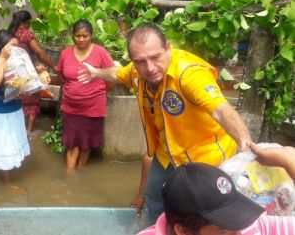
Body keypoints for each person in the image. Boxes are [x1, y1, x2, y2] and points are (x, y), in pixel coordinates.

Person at [78, 24, 254, 222]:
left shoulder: (189, 74)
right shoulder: (138, 72)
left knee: (200, 214)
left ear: (168, 48)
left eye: (156, 57)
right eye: (141, 61)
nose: (150, 68)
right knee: (154, 195)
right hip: (167, 152)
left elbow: (222, 110)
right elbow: (116, 74)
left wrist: (245, 145)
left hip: (204, 157)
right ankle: (158, 229)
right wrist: (95, 73)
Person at [137, 162, 295, 235]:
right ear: (184, 232)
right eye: (224, 234)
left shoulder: (248, 225)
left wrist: (288, 161)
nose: (240, 233)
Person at [56, 19, 114, 174]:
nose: (81, 39)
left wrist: (99, 92)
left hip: (93, 107)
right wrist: (71, 87)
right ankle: (70, 173)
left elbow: (112, 75)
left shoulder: (100, 52)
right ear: (73, 36)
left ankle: (80, 170)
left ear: (91, 36)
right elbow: (61, 74)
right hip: (70, 106)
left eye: (85, 36)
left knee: (86, 143)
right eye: (78, 36)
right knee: (72, 142)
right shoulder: (65, 54)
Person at [0, 30, 30, 184]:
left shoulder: (15, 64)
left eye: (18, 46)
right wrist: (2, 58)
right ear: (2, 47)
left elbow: (23, 87)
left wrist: (23, 94)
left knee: (13, 146)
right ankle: (7, 183)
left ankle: (9, 177)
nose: (16, 49)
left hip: (15, 110)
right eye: (12, 46)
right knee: (2, 148)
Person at [8, 10, 57, 136]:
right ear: (25, 22)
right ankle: (29, 131)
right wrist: (53, 66)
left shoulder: (9, 34)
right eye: (29, 21)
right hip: (27, 74)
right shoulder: (27, 35)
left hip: (12, 75)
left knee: (18, 101)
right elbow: (39, 53)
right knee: (33, 102)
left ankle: (17, 130)